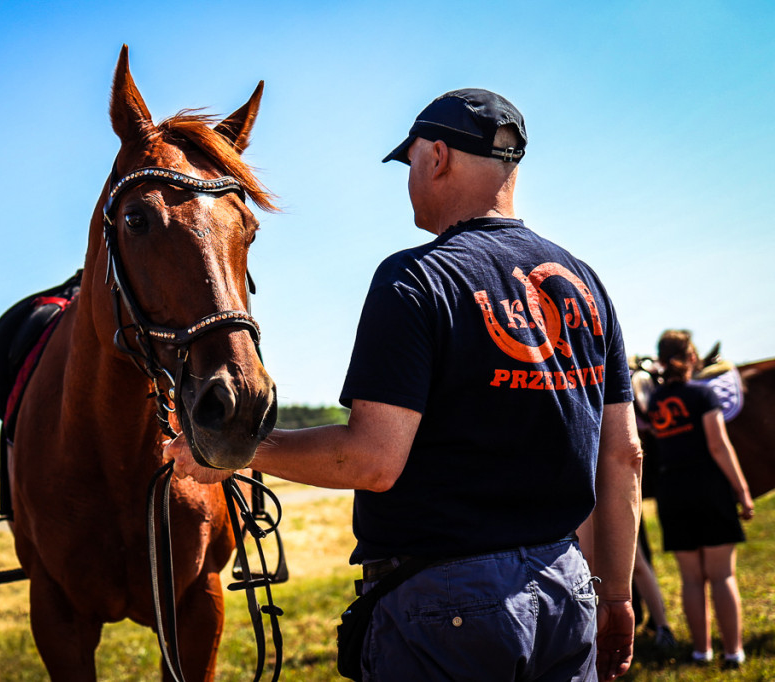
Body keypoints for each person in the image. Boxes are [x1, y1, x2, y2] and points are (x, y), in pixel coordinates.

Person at [167, 88, 642, 681]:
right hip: (566, 591)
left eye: (411, 161)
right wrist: (617, 595)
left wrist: (237, 451)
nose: (409, 178)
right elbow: (623, 455)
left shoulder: (416, 277)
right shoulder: (583, 281)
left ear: (437, 157)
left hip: (448, 609)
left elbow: (371, 460)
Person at [647, 330, 754, 669]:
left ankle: (700, 651)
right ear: (692, 357)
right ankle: (734, 652)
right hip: (708, 487)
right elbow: (718, 446)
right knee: (722, 575)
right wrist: (742, 490)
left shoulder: (655, 401)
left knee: (691, 578)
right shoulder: (703, 394)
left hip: (671, 493)